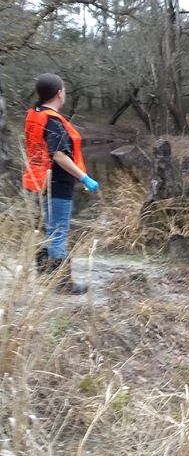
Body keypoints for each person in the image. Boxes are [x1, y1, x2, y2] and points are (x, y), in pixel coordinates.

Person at [22, 73, 100, 294]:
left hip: (36, 182)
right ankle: (63, 284)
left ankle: (44, 276)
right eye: (63, 89)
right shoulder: (53, 121)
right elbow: (59, 155)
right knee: (58, 232)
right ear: (59, 93)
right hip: (56, 185)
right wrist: (84, 178)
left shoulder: (34, 115)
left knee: (46, 230)